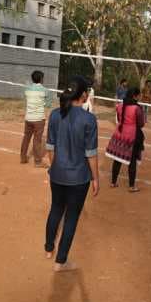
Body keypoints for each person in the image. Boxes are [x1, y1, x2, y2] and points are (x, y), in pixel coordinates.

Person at [44, 76, 100, 272]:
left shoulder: (55, 115)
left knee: (56, 209)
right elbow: (91, 154)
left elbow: (50, 147)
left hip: (57, 174)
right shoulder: (89, 119)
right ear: (83, 94)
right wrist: (96, 178)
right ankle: (61, 261)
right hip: (79, 178)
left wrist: (55, 167)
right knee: (71, 218)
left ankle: (49, 248)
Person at [106, 88, 146, 192]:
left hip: (119, 134)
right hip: (132, 135)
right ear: (135, 96)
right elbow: (141, 123)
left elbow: (119, 119)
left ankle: (113, 182)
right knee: (132, 161)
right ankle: (131, 186)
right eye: (139, 95)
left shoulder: (120, 106)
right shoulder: (137, 108)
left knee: (117, 159)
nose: (140, 96)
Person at [21, 70, 52, 167]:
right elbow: (48, 105)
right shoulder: (45, 90)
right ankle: (38, 162)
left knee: (26, 137)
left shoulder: (27, 89)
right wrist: (42, 102)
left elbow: (27, 100)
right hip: (39, 118)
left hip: (28, 118)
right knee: (37, 140)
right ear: (41, 79)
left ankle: (23, 157)